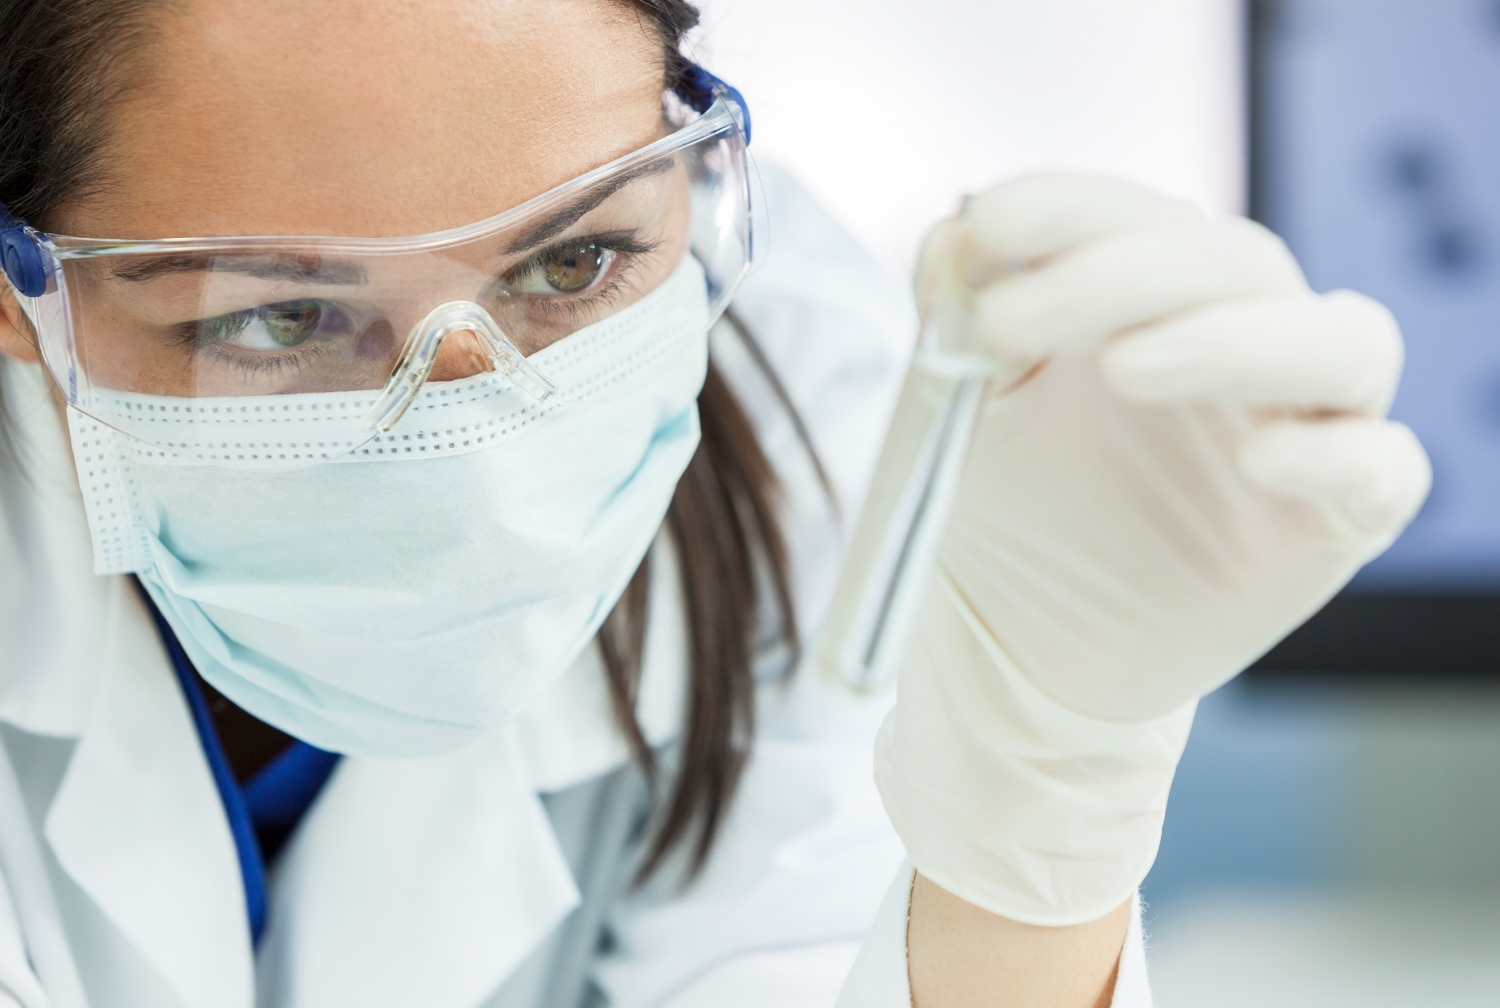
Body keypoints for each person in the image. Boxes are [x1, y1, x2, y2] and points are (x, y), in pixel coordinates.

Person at [0, 1, 1432, 1006]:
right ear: (22, 302)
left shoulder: (803, 399)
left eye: (573, 265)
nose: (477, 445)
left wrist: (1047, 792)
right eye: (285, 315)